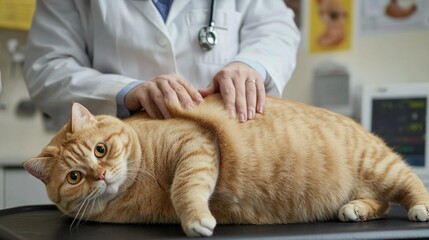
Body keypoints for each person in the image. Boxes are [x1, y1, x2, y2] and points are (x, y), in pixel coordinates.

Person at [24, 0, 300, 127]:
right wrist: (126, 92)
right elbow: (47, 67)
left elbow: (277, 27)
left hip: (229, 157)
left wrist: (250, 64)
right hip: (123, 168)